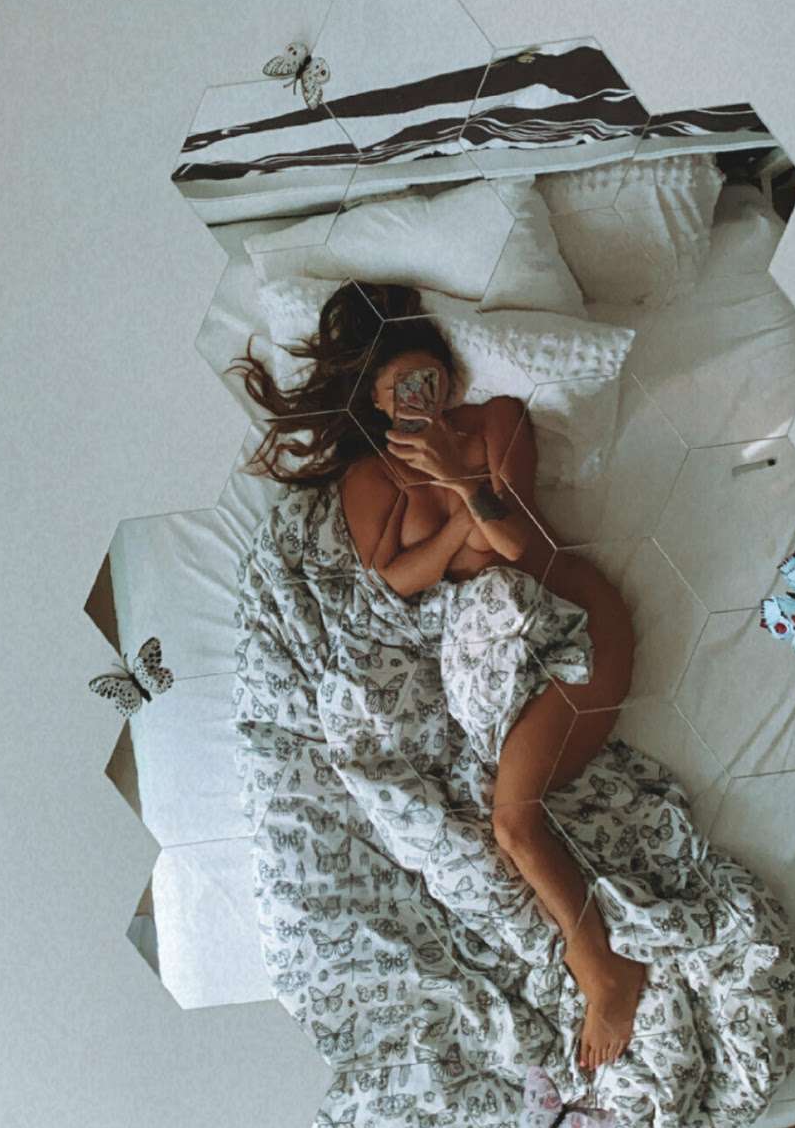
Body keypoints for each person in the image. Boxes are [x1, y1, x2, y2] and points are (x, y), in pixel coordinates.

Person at [229, 279, 645, 1069]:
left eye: (429, 380)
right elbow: (393, 582)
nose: (418, 397)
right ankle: (574, 952)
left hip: (571, 628)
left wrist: (460, 479)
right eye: (401, 389)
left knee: (514, 822)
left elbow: (520, 547)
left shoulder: (498, 422)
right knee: (473, 814)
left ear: (450, 380)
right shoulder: (370, 478)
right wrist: (458, 517)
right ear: (377, 402)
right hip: (483, 661)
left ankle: (603, 972)